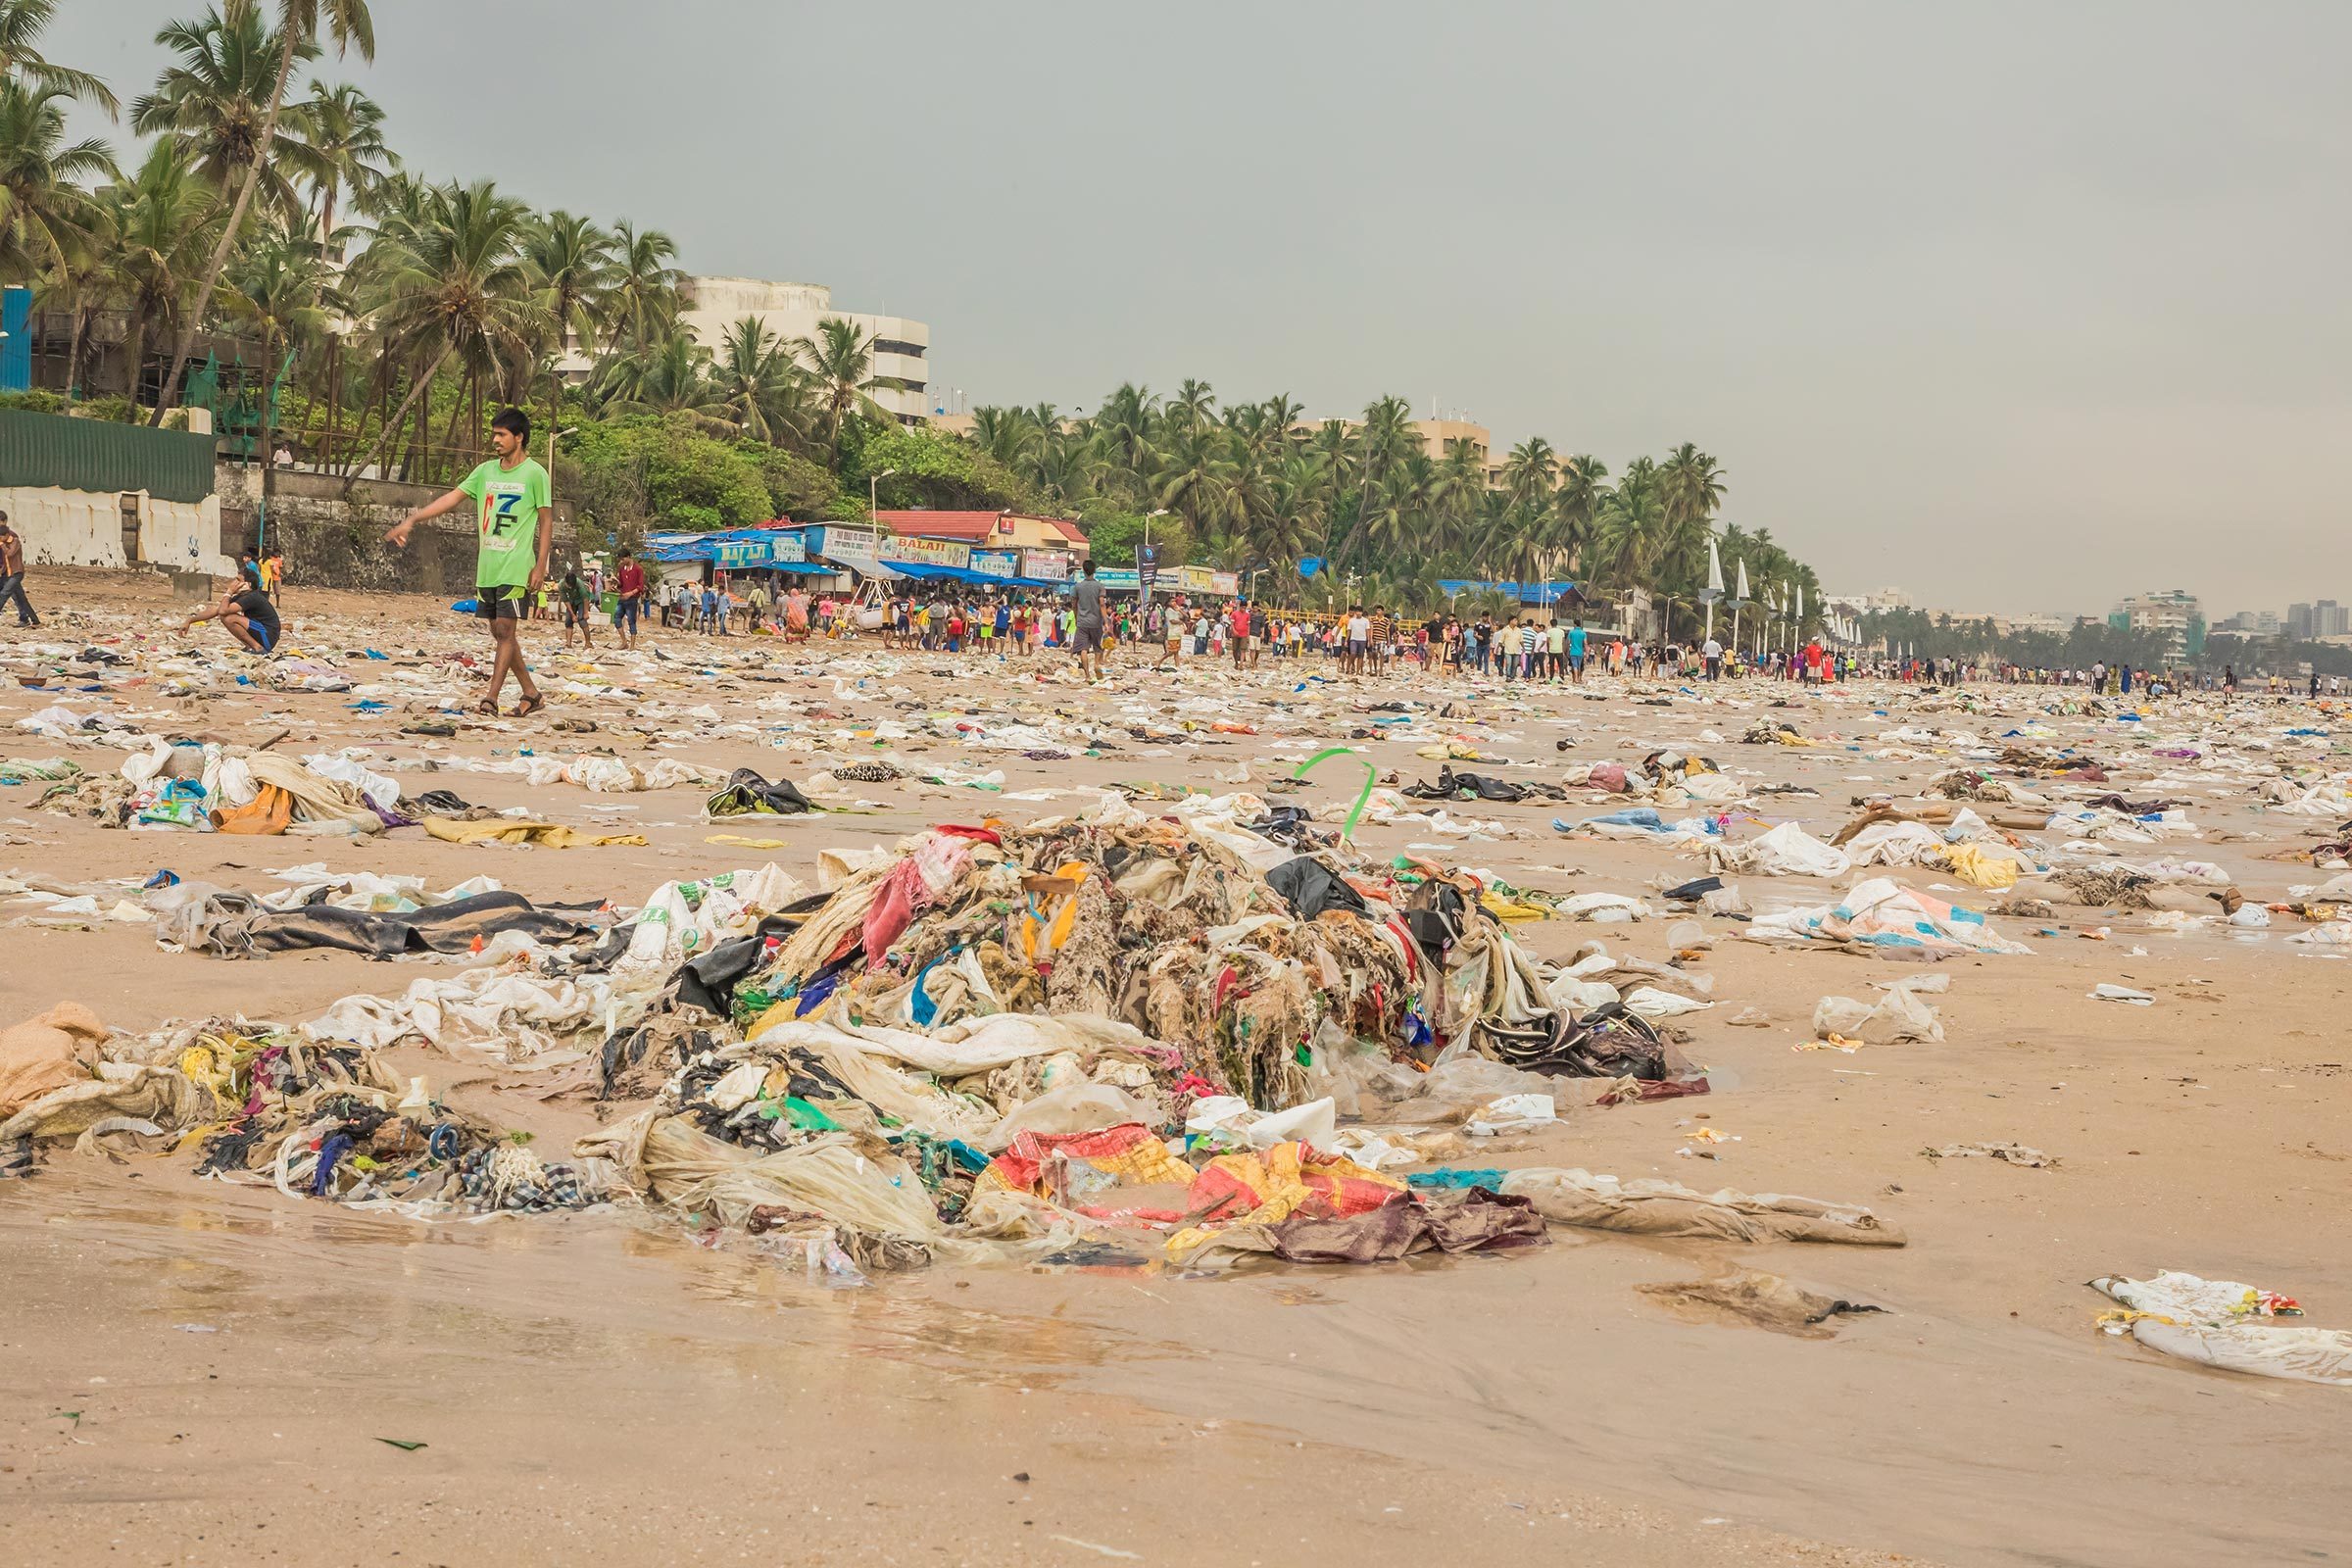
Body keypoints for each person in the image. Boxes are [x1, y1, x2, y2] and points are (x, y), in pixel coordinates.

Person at [382, 406, 550, 716]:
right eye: (494, 433)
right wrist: (413, 519)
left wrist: (540, 565)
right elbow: (451, 499)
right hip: (488, 567)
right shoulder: (485, 471)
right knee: (500, 634)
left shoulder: (536, 474)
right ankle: (531, 693)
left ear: (519, 437)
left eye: (501, 434)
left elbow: (546, 521)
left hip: (516, 566)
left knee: (504, 631)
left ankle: (491, 699)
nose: (495, 440)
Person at [178, 577, 281, 655]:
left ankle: (257, 648)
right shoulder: (242, 596)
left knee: (229, 618)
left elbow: (223, 611)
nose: (234, 584)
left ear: (248, 584)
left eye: (238, 580)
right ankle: (251, 646)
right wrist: (190, 621)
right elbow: (217, 610)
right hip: (263, 633)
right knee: (226, 616)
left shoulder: (251, 597)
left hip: (268, 636)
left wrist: (229, 592)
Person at [0, 512, 38, 629]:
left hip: (14, 573)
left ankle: (24, 618)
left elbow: (10, 554)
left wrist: (2, 544)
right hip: (5, 571)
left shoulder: (13, 539)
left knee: (4, 594)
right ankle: (33, 619)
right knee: (20, 597)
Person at [1070, 559, 1106, 681]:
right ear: (1094, 570)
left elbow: (1074, 605)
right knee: (1097, 646)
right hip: (1096, 622)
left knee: (1083, 649)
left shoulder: (1077, 587)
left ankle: (1087, 675)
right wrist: (1106, 620)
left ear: (1083, 571)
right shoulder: (1100, 586)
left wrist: (1076, 617)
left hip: (1082, 622)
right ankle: (1096, 664)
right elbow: (1102, 604)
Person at [612, 550, 646, 649]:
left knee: (631, 621)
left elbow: (641, 586)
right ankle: (624, 641)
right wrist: (616, 584)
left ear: (629, 557)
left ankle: (632, 645)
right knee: (617, 618)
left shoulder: (638, 569)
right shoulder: (622, 569)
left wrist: (631, 593)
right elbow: (621, 584)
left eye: (623, 559)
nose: (622, 561)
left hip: (632, 598)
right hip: (622, 597)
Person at [559, 565, 596, 649]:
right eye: (569, 586)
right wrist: (572, 614)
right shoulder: (561, 585)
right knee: (568, 621)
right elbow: (565, 600)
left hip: (581, 601)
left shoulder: (580, 584)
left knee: (582, 620)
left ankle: (588, 642)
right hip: (571, 601)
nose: (571, 587)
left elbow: (585, 598)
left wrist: (586, 612)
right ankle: (568, 643)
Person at [1567, 617, 1588, 684]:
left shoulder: (1571, 632)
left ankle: (1575, 679)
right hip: (1580, 652)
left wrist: (1567, 650)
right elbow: (1585, 643)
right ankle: (1578, 678)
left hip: (1573, 651)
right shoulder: (1583, 633)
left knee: (1574, 665)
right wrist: (1587, 653)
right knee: (1578, 665)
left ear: (1575, 624)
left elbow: (1568, 642)